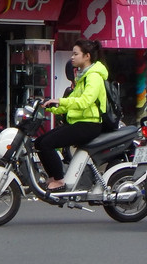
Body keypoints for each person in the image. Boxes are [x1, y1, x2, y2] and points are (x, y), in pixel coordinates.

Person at [37, 38, 108, 192]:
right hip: (79, 122)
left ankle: (59, 180)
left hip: (89, 124)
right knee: (39, 142)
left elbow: (84, 102)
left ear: (87, 56)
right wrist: (50, 106)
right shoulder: (82, 76)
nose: (72, 57)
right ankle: (53, 177)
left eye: (76, 54)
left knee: (47, 144)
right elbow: (71, 104)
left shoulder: (94, 77)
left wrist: (60, 101)